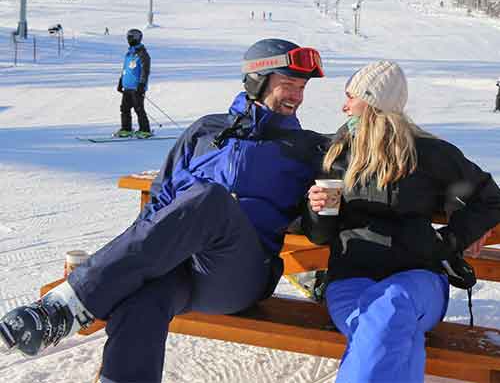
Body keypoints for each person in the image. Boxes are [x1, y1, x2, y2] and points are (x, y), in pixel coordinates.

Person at [0, 38, 328, 383]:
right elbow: (160, 199)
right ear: (257, 81)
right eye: (288, 84)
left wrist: (319, 207)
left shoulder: (307, 148)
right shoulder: (205, 131)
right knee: (140, 301)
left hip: (238, 274)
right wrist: (128, 267)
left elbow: (323, 223)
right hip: (179, 268)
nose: (296, 96)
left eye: (302, 87)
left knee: (212, 199)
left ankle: (69, 304)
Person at [303, 60, 500, 383]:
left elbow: (489, 198)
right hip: (351, 278)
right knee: (384, 329)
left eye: (351, 97)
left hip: (418, 280)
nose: (344, 106)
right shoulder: (336, 155)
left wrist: (452, 239)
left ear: (373, 102)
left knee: (387, 311)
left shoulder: (428, 154)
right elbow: (320, 235)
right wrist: (317, 209)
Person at [115, 28, 152, 139]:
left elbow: (145, 70)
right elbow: (125, 69)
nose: (129, 39)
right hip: (127, 86)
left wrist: (142, 84)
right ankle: (126, 129)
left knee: (138, 109)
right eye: (128, 36)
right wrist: (121, 82)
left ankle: (145, 130)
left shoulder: (142, 54)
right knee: (124, 108)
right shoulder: (129, 54)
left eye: (131, 36)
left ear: (138, 38)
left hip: (137, 87)